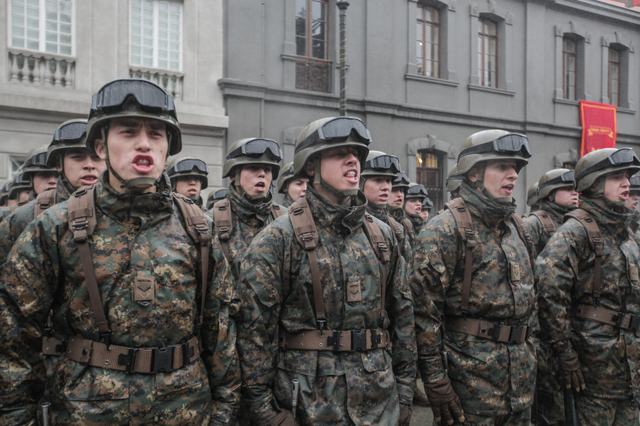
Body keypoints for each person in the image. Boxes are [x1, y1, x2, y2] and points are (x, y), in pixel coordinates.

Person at [0, 78, 238, 425]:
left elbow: (220, 333)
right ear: (100, 147)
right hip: (88, 413)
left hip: (185, 411)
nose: (144, 143)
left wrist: (224, 414)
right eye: (128, 132)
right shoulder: (55, 227)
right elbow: (13, 336)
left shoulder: (197, 228)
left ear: (167, 147)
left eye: (157, 134)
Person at [236, 116, 416, 426]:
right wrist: (264, 412)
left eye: (357, 154)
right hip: (310, 406)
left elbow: (402, 320)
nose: (353, 160)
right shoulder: (278, 239)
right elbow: (254, 335)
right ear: (310, 165)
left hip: (379, 402)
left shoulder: (384, 236)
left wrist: (404, 392)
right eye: (338, 153)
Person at [410, 129, 536, 426]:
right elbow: (421, 315)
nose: (513, 175)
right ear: (474, 173)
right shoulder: (443, 230)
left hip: (521, 385)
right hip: (469, 390)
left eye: (515, 168)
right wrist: (435, 380)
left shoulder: (517, 229)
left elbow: (533, 304)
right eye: (502, 166)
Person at [537, 147, 640, 426]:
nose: (627, 183)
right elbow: (548, 294)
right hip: (592, 371)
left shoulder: (626, 233)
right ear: (593, 184)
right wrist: (565, 354)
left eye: (627, 176)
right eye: (617, 176)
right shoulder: (574, 232)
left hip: (628, 371)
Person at [0, 120, 106, 263]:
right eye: (77, 157)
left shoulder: (125, 211)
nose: (89, 165)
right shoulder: (23, 218)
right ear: (59, 164)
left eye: (96, 157)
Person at [523, 169, 577, 426]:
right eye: (568, 189)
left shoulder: (573, 224)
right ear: (549, 194)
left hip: (566, 325)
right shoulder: (535, 224)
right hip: (542, 328)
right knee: (547, 400)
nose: (575, 193)